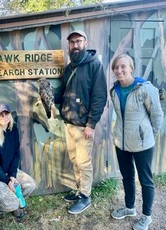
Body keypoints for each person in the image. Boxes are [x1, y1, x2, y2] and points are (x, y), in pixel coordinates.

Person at [53, 30, 107, 214]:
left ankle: (86, 196)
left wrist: (91, 124)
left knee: (84, 162)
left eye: (78, 41)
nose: (75, 45)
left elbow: (99, 97)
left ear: (85, 42)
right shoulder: (69, 67)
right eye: (72, 42)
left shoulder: (95, 66)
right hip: (69, 123)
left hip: (84, 126)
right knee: (75, 160)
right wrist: (47, 94)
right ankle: (79, 190)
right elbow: (61, 93)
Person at [110, 54, 163, 230]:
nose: (119, 70)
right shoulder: (114, 90)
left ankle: (146, 216)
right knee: (127, 177)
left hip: (142, 144)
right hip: (122, 143)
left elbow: (157, 115)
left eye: (123, 66)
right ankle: (129, 208)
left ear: (131, 68)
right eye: (116, 67)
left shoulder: (145, 88)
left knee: (145, 180)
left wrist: (149, 136)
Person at [0, 103, 36, 227]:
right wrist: (7, 181)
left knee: (30, 185)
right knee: (11, 202)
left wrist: (12, 175)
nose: (4, 117)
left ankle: (13, 203)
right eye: (1, 114)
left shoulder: (14, 129)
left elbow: (16, 153)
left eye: (6, 113)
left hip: (8, 172)